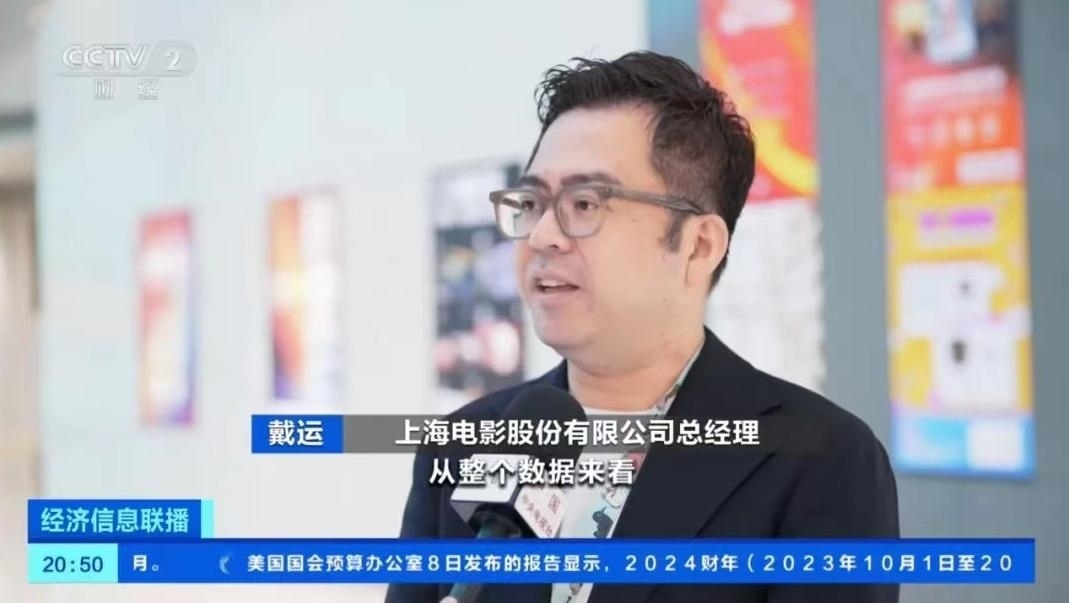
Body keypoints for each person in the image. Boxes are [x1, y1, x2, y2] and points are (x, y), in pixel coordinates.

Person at [387, 50, 899, 603]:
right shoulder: (462, 445)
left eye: (585, 204)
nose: (542, 236)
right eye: (532, 202)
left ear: (698, 246)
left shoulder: (819, 460)